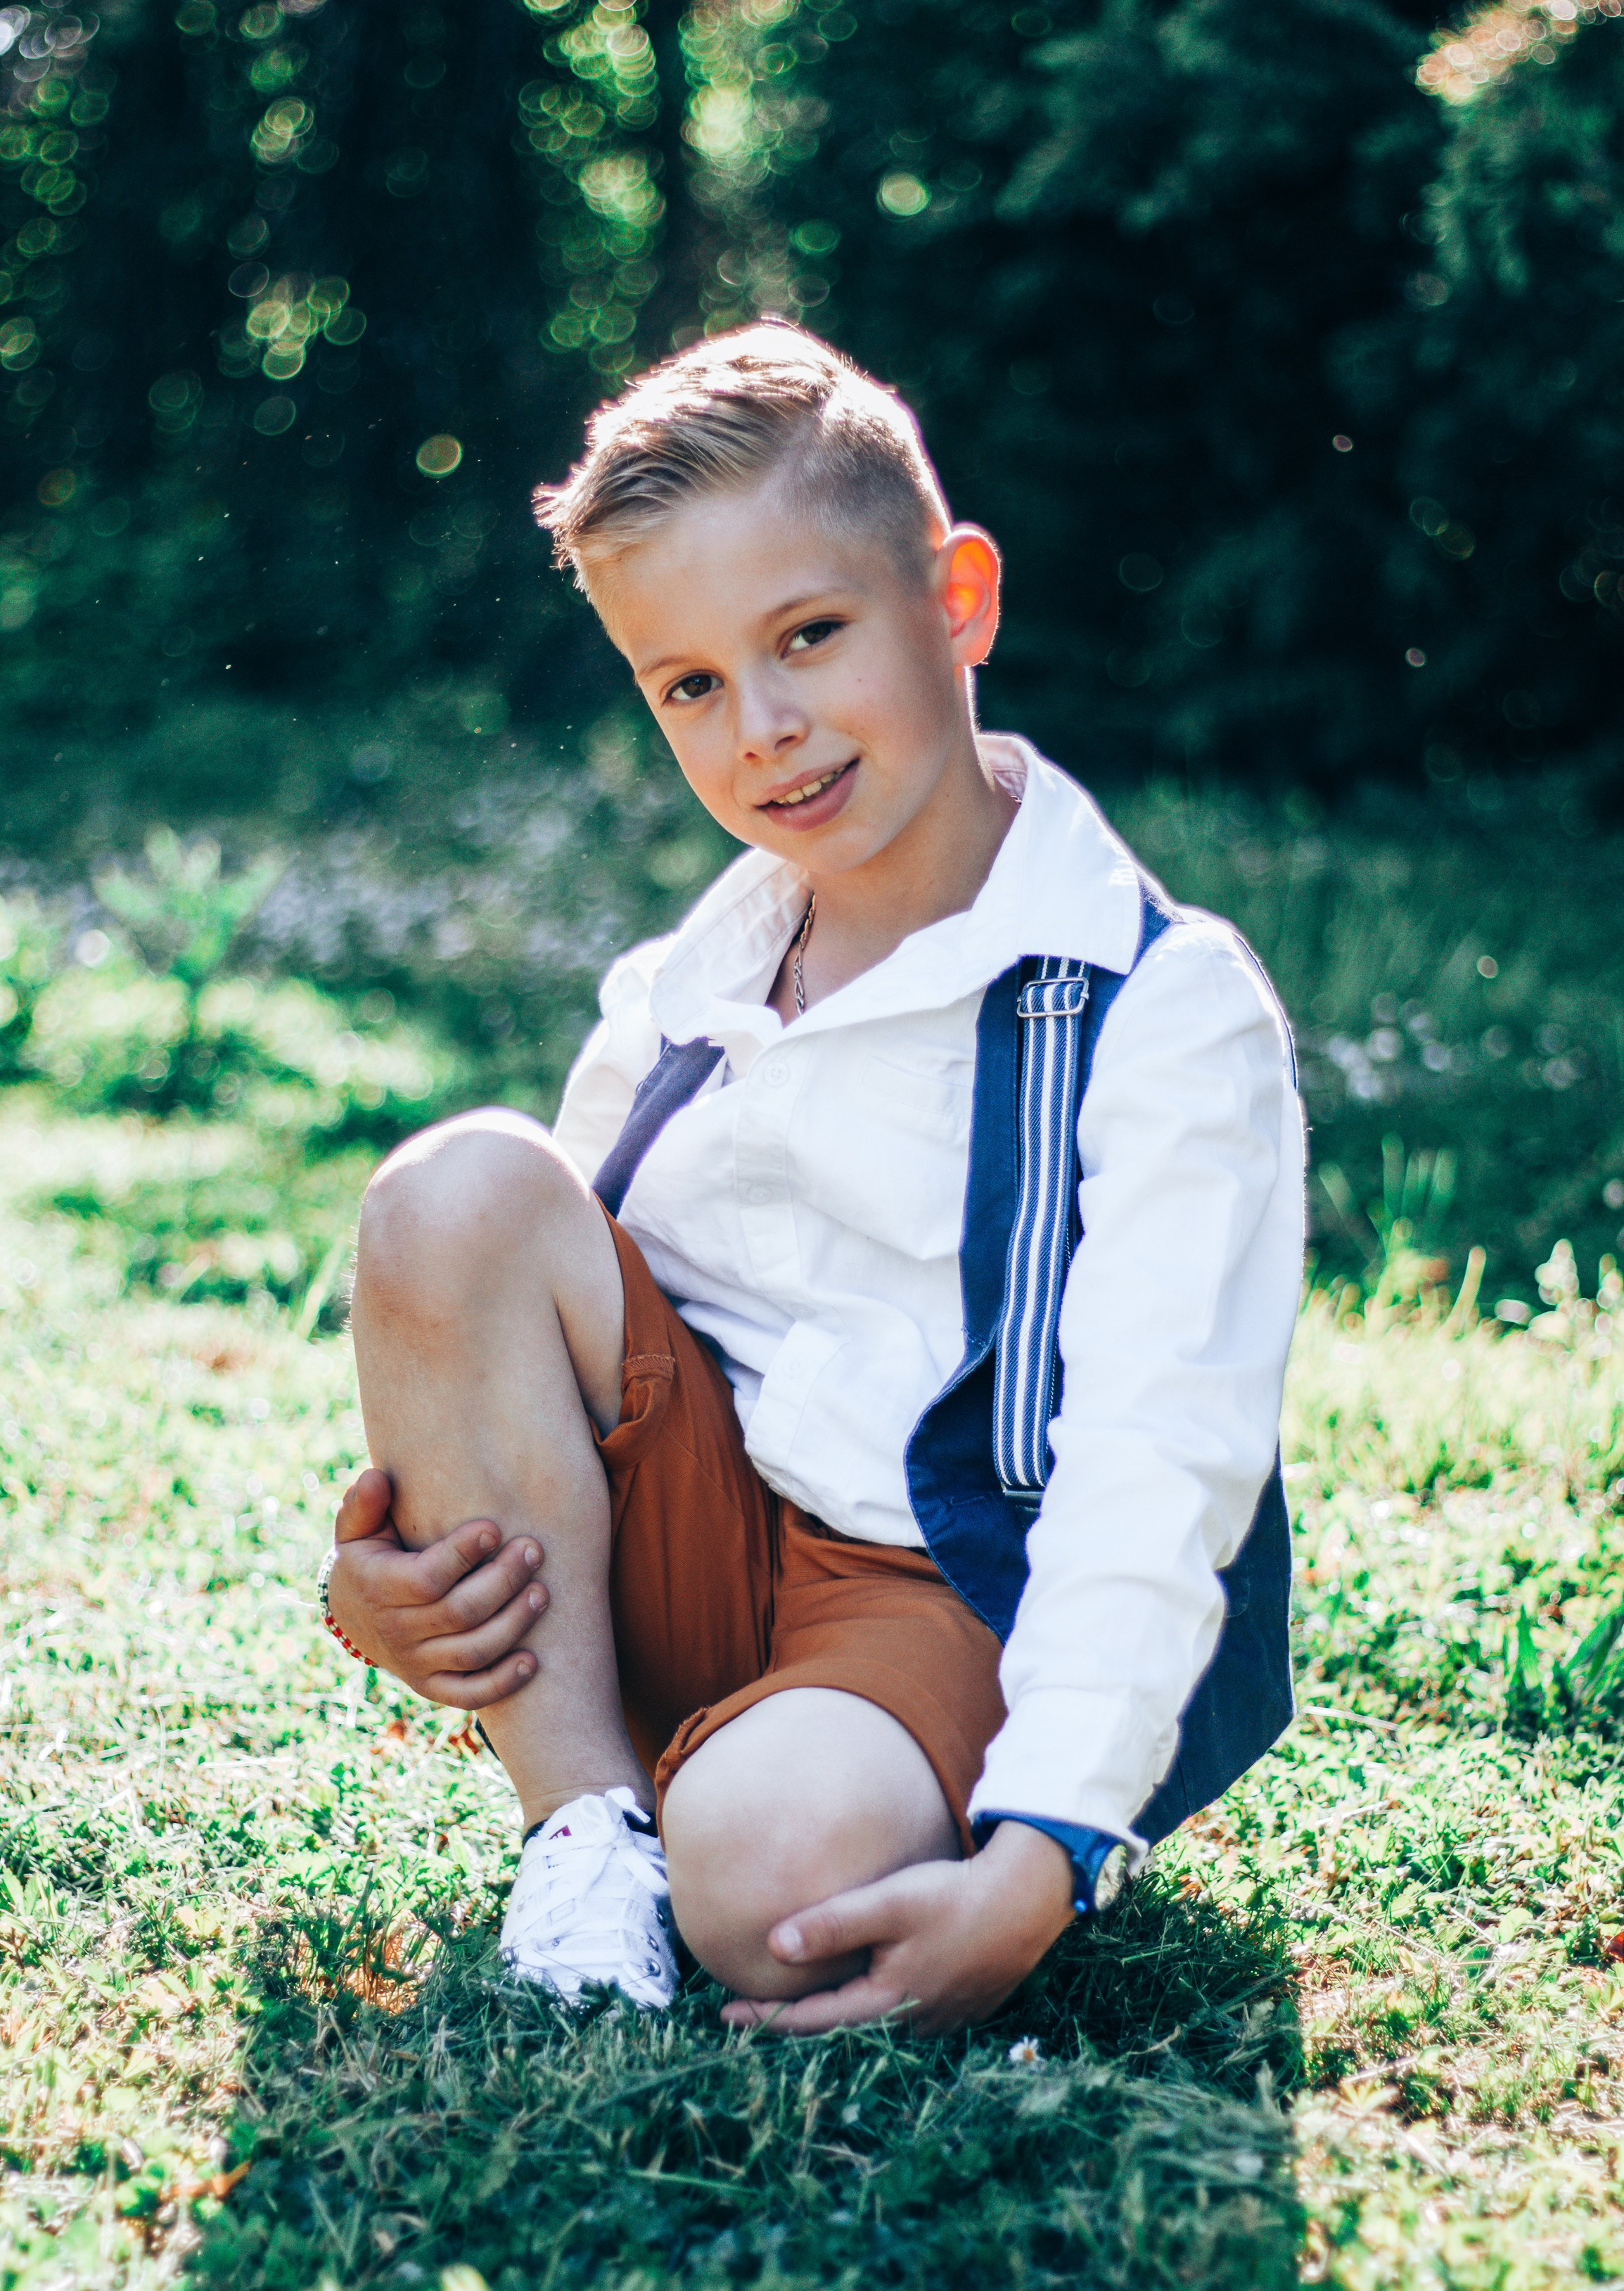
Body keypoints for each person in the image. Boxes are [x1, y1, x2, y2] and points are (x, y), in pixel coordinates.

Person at [320, 321, 1304, 2033]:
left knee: (773, 1881)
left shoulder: (1155, 1007)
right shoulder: (694, 981)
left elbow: (1161, 1460)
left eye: (811, 637)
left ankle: (750, 1806)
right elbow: (535, 1343)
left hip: (929, 1586)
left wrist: (1045, 1846)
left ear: (960, 601)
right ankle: (588, 1830)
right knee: (452, 1190)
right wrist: (386, 1581)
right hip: (691, 1536)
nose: (764, 730)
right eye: (690, 684)